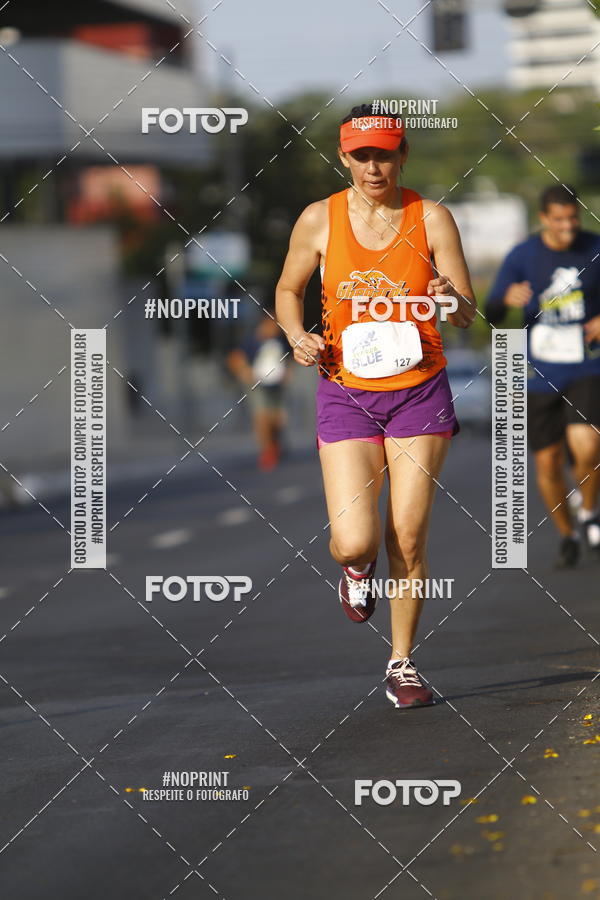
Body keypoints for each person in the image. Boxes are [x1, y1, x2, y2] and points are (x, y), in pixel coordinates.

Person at [275, 103, 476, 709]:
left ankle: (403, 662)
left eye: (384, 153)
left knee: (408, 536)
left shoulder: (432, 218)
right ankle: (354, 573)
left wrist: (447, 296)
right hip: (346, 392)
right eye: (361, 155)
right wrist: (295, 335)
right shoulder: (319, 220)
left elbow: (468, 310)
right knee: (355, 541)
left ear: (403, 154)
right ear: (344, 157)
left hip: (419, 390)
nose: (372, 166)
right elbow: (288, 290)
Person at [486, 184, 600, 568]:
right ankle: (567, 534)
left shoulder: (594, 248)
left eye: (573, 218)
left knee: (587, 445)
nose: (568, 226)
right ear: (543, 220)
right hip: (538, 374)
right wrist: (505, 299)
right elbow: (490, 315)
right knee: (548, 462)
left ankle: (588, 512)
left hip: (587, 365)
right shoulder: (523, 256)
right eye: (559, 220)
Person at [227, 309, 289, 470]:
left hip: (275, 384)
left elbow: (287, 359)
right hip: (257, 383)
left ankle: (276, 444)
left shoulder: (280, 340)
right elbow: (235, 357)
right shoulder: (253, 340)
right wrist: (244, 371)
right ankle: (267, 450)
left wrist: (287, 374)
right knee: (262, 417)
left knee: (277, 418)